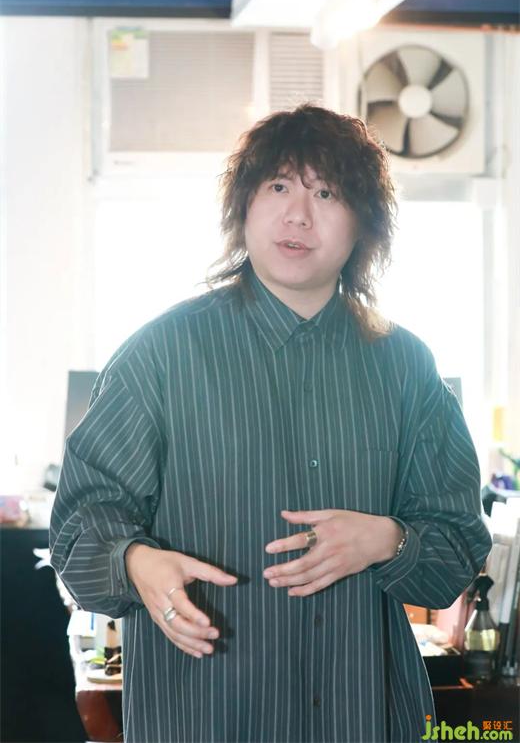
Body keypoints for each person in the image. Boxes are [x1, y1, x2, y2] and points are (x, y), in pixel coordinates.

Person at [50, 104, 491, 743]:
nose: (298, 215)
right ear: (244, 206)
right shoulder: (160, 354)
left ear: (364, 224)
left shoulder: (406, 366)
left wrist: (388, 540)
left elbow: (457, 549)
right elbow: (76, 533)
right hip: (203, 717)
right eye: (279, 186)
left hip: (363, 717)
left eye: (327, 193)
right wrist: (136, 562)